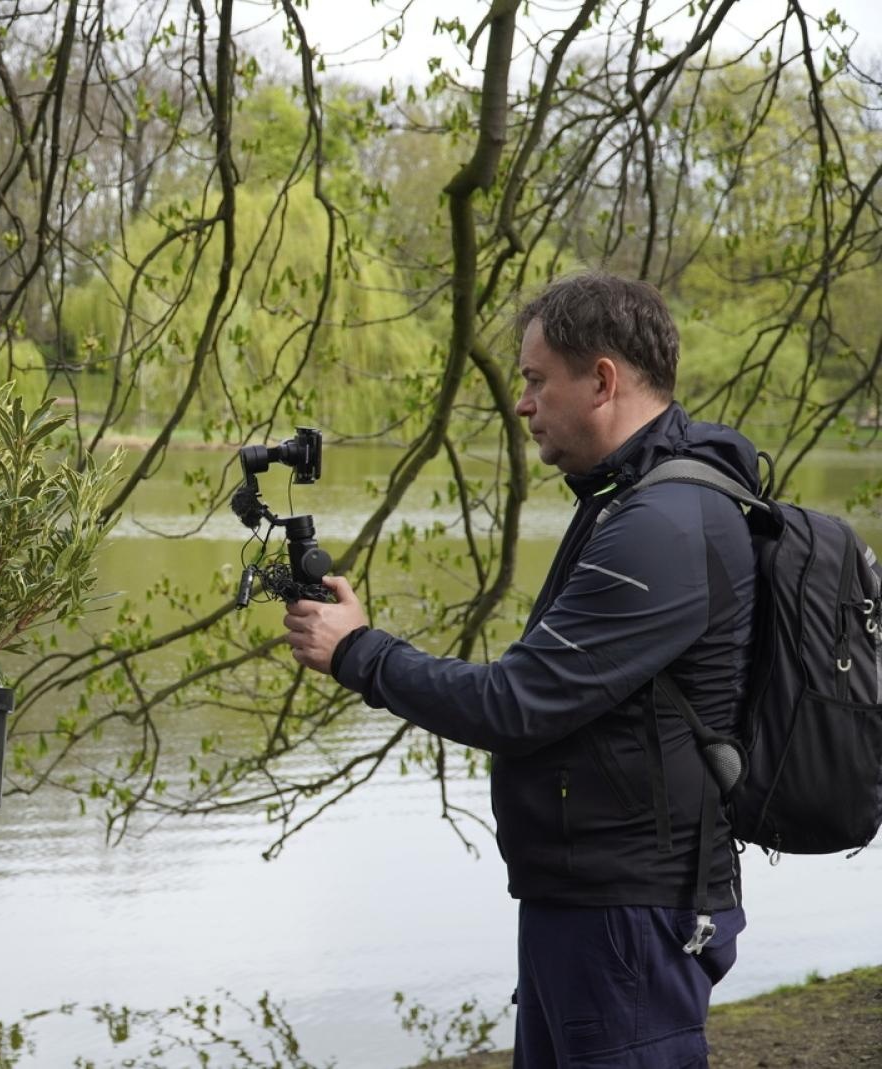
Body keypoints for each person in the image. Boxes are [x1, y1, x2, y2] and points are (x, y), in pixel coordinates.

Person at [282, 273, 755, 1068]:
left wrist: (359, 651)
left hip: (630, 918)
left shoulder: (665, 524)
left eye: (536, 381)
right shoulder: (626, 501)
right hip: (590, 903)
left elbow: (515, 703)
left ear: (602, 379)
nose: (522, 403)